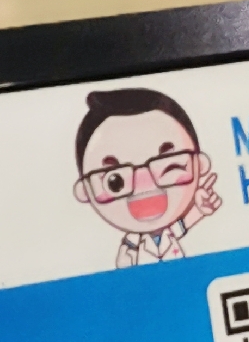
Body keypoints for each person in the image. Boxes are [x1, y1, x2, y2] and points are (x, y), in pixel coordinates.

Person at [71, 85, 219, 268]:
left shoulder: (169, 233)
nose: (145, 186)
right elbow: (124, 265)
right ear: (85, 190)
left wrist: (200, 209)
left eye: (170, 167)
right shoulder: (133, 243)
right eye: (115, 182)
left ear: (200, 163)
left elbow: (185, 223)